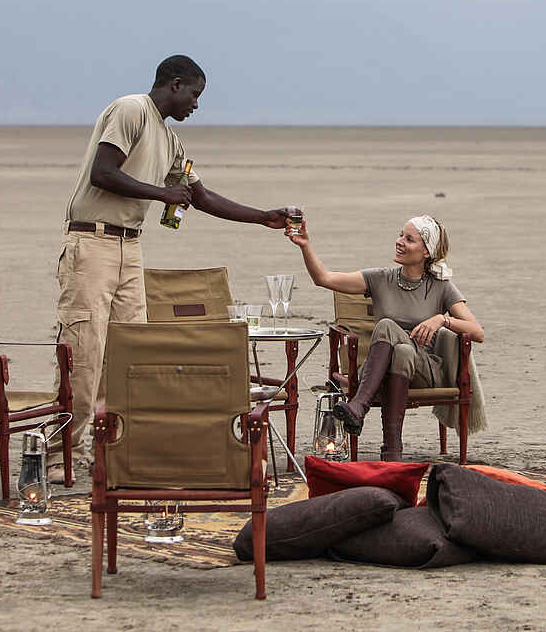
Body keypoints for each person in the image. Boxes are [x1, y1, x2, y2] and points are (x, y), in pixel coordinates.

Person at [48, 54, 288, 482]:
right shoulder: (132, 110)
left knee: (129, 353)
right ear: (175, 84)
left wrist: (262, 217)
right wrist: (161, 194)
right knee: (84, 353)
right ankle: (58, 455)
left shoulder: (171, 141)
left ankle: (106, 450)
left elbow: (201, 196)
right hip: (92, 242)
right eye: (194, 94)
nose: (196, 104)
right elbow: (103, 172)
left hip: (130, 246)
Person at [288, 214, 484, 461]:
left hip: (424, 372)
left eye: (409, 239)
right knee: (401, 350)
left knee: (386, 325)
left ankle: (359, 405)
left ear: (426, 251)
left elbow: (477, 331)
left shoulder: (441, 286)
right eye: (400, 235)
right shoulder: (380, 278)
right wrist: (305, 245)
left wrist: (442, 320)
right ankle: (392, 451)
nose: (399, 241)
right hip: (389, 370)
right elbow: (323, 279)